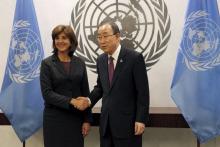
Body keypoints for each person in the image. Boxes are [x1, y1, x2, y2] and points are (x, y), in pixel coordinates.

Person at [76, 21, 149, 147]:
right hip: (106, 125)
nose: (102, 41)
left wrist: (141, 119)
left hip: (128, 125)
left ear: (117, 36)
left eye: (105, 36)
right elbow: (100, 87)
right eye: (99, 37)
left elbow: (142, 92)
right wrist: (88, 100)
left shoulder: (134, 58)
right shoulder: (101, 60)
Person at [40, 25, 92, 147]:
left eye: (64, 38)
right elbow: (47, 94)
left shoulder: (80, 63)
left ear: (71, 41)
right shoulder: (47, 63)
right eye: (57, 38)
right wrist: (71, 101)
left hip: (76, 119)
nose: (60, 41)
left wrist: (87, 120)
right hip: (54, 119)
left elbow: (85, 92)